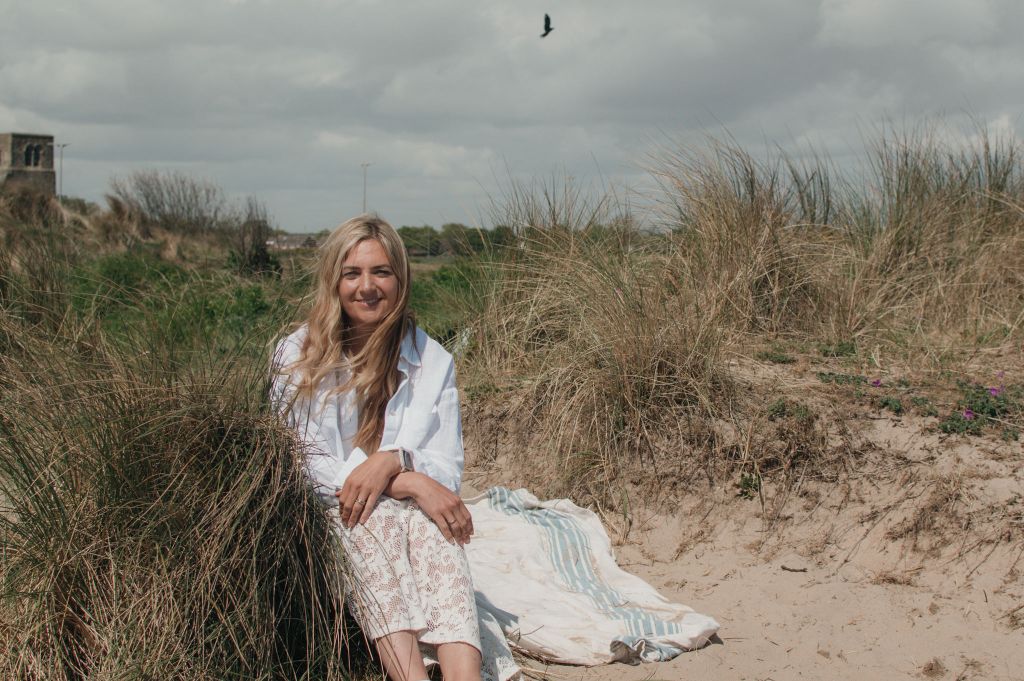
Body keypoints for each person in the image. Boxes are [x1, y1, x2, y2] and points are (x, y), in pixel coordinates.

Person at [269, 214, 482, 681]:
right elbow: (302, 462)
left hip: (404, 507)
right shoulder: (296, 355)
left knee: (437, 527)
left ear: (400, 279)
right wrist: (402, 478)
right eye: (353, 274)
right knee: (373, 517)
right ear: (335, 282)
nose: (368, 286)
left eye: (381, 272)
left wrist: (393, 462)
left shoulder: (431, 358)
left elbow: (445, 470)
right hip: (328, 510)